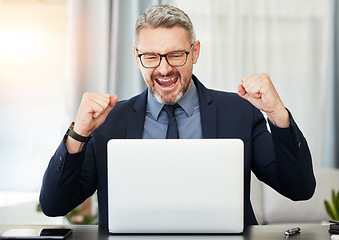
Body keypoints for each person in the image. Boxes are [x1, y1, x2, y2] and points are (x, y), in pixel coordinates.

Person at [39, 4, 316, 226]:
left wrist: (278, 115)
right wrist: (78, 135)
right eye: (151, 56)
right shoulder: (109, 121)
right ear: (137, 57)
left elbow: (300, 188)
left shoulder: (239, 111)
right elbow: (54, 205)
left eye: (176, 55)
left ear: (195, 52)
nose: (163, 69)